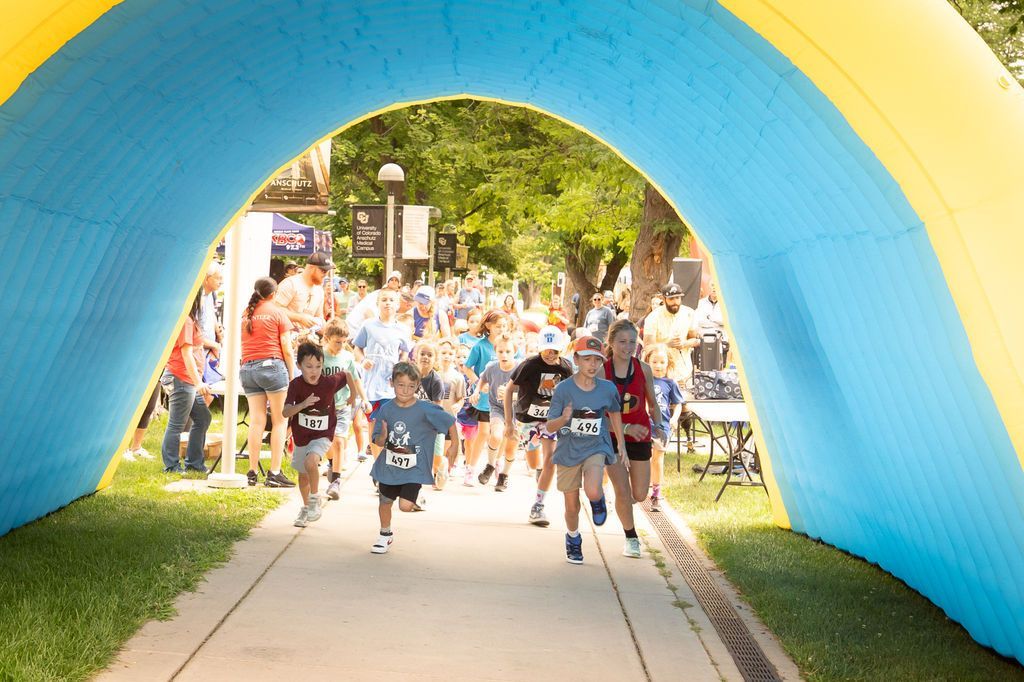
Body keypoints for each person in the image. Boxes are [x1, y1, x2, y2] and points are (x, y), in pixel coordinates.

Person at [545, 336, 627, 564]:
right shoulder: (563, 390)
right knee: (571, 508)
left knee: (592, 489)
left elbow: (615, 413)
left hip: (595, 446)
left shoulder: (607, 389)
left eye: (597, 360)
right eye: (587, 359)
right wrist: (564, 418)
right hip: (568, 450)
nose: (592, 365)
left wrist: (620, 443)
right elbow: (550, 426)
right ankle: (573, 538)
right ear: (576, 360)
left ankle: (597, 499)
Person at [369, 362, 459, 554]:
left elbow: (450, 421)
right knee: (385, 501)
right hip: (389, 466)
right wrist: (382, 437)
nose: (405, 390)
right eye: (401, 384)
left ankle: (414, 498)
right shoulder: (385, 409)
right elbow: (376, 439)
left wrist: (455, 446)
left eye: (411, 386)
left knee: (405, 506)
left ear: (417, 386)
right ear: (392, 383)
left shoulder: (425, 409)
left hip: (414, 468)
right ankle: (384, 534)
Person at [604, 319, 666, 558]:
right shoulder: (603, 371)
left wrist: (659, 425)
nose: (627, 347)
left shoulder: (644, 369)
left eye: (632, 342)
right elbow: (597, 416)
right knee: (621, 490)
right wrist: (625, 427)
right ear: (611, 343)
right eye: (622, 341)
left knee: (639, 494)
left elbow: (653, 403)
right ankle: (631, 538)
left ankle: (622, 507)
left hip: (640, 437)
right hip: (612, 437)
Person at [504, 325, 573, 526]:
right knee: (535, 462)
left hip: (550, 420)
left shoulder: (566, 368)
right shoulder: (529, 365)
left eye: (555, 351)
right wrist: (509, 423)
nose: (550, 355)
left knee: (550, 459)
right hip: (527, 418)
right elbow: (509, 391)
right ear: (539, 348)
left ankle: (538, 506)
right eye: (546, 350)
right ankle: (537, 470)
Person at [282, 342, 353, 528]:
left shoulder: (329, 382)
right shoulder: (295, 385)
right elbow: (285, 412)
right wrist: (303, 405)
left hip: (323, 434)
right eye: (309, 366)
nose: (314, 371)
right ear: (299, 366)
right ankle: (306, 507)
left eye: (318, 366)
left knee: (311, 462)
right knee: (303, 475)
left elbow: (347, 375)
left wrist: (353, 395)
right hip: (301, 435)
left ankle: (315, 499)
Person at [240, 277, 296, 487]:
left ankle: (252, 472)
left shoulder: (246, 313)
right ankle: (274, 472)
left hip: (248, 368)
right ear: (273, 294)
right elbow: (287, 348)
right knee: (280, 421)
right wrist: (291, 375)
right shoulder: (278, 312)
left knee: (256, 421)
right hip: (272, 367)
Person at [352, 289, 413, 457]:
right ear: (378, 304)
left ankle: (388, 461)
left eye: (391, 300)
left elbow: (405, 352)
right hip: (371, 383)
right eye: (384, 300)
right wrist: (363, 360)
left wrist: (400, 365)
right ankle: (378, 466)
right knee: (374, 425)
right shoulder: (368, 325)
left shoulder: (402, 329)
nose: (388, 303)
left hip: (391, 384)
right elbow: (357, 347)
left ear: (398, 304)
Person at [160, 290, 212, 474]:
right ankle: (171, 466)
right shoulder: (186, 321)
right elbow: (186, 354)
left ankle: (195, 463)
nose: (205, 302)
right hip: (181, 377)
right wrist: (199, 383)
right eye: (203, 298)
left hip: (188, 379)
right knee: (177, 423)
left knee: (203, 417)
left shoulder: (191, 320)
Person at [321, 319, 369, 501]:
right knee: (328, 442)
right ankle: (333, 463)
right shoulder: (319, 357)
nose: (341, 345)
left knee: (339, 441)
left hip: (342, 406)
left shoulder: (347, 358)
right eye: (337, 342)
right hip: (323, 407)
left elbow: (356, 379)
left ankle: (336, 481)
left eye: (344, 342)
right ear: (326, 338)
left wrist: (364, 399)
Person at [464, 310, 510, 484]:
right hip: (485, 399)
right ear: (488, 326)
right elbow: (467, 367)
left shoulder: (509, 345)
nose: (502, 329)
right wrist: (478, 384)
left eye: (505, 326)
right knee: (483, 433)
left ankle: (496, 463)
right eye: (498, 326)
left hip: (504, 399)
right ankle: (470, 468)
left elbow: (519, 366)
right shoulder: (480, 346)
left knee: (503, 434)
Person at [643, 344, 684, 512]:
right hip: (644, 426)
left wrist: (674, 418)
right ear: (647, 363)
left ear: (668, 364)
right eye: (654, 362)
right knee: (642, 459)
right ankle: (640, 489)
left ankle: (656, 492)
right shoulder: (643, 381)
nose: (658, 366)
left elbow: (678, 404)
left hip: (662, 427)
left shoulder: (670, 383)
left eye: (662, 362)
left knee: (657, 460)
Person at [477, 335, 519, 492]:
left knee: (510, 447)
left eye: (508, 351)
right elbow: (483, 379)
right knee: (495, 436)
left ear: (515, 351)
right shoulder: (492, 367)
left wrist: (511, 395)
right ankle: (490, 465)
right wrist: (478, 390)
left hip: (517, 411)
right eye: (501, 351)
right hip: (498, 408)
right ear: (496, 352)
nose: (504, 354)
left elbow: (527, 393)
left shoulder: (520, 369)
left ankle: (504, 476)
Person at [275, 252, 334, 331]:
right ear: (311, 267)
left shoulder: (319, 290)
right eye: (323, 271)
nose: (326, 274)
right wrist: (300, 318)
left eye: (327, 271)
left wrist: (332, 333)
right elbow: (276, 310)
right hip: (286, 337)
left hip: (307, 339)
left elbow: (319, 318)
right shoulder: (290, 284)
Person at [198, 261, 224, 390]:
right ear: (207, 278)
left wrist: (217, 330)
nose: (221, 281)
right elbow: (193, 333)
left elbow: (211, 315)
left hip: (209, 351)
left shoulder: (210, 295)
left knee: (210, 393)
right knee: (204, 393)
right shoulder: (197, 299)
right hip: (198, 351)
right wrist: (215, 345)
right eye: (218, 278)